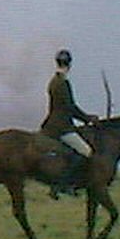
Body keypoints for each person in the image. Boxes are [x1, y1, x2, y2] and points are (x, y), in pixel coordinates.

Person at [40, 49, 98, 192]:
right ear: (69, 65)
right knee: (87, 152)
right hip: (61, 127)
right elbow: (69, 107)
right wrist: (87, 118)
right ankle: (63, 184)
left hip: (53, 124)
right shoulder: (62, 83)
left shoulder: (54, 81)